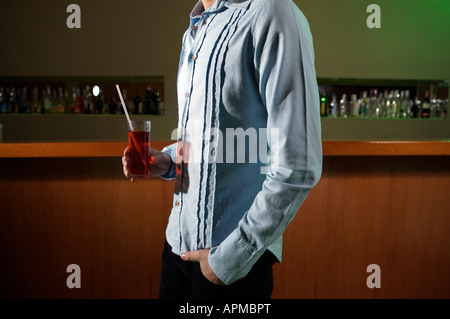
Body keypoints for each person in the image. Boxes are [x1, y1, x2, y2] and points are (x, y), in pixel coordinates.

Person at [122, 0, 322, 299]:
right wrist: (166, 161)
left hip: (230, 269)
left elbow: (299, 162)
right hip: (176, 250)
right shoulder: (196, 29)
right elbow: (209, 140)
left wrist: (228, 260)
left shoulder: (272, 11)